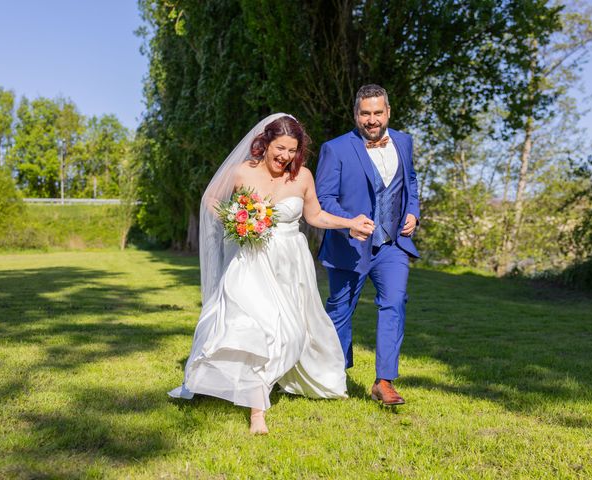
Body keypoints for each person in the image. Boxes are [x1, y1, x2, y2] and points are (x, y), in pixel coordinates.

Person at [168, 113, 375, 434]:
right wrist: (234, 219)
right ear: (265, 143)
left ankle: (270, 382)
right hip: (251, 259)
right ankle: (257, 410)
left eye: (293, 150)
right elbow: (211, 198)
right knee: (255, 327)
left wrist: (350, 223)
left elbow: (316, 215)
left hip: (291, 263)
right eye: (280, 148)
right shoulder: (242, 172)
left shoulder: (302, 177)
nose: (285, 157)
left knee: (291, 333)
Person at [315, 84, 420, 406]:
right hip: (350, 244)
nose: (372, 120)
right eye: (365, 113)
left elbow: (411, 182)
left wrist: (413, 212)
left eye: (377, 112)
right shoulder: (336, 149)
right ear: (356, 115)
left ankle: (384, 381)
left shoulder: (404, 141)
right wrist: (350, 222)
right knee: (340, 311)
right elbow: (324, 198)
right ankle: (333, 373)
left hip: (393, 245)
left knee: (394, 303)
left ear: (388, 112)